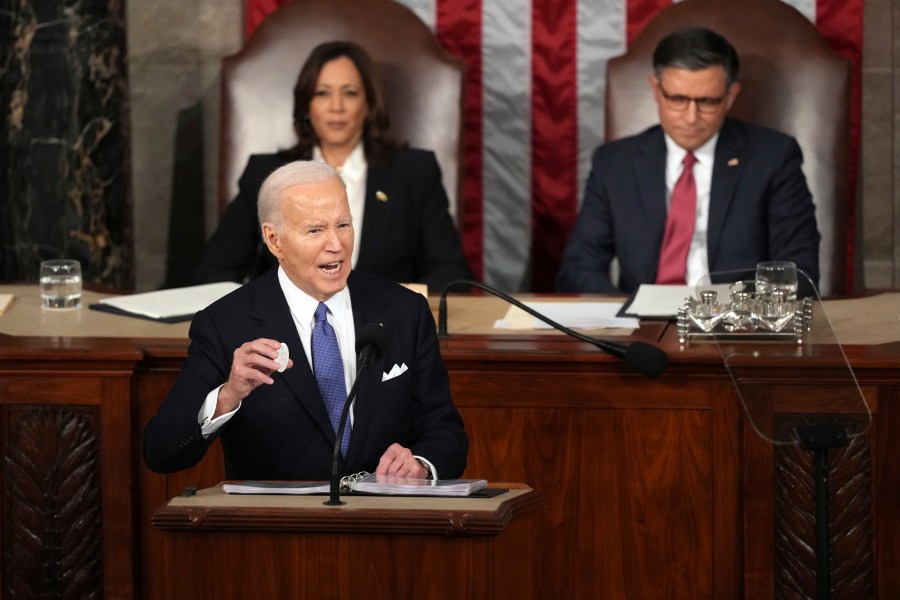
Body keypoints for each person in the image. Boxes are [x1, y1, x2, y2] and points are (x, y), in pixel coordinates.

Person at [143, 160, 469, 481]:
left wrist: (422, 464)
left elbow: (445, 431)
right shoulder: (224, 324)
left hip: (384, 522)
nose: (336, 245)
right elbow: (161, 452)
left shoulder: (404, 310)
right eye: (315, 230)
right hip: (280, 529)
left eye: (343, 225)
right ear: (274, 240)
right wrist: (228, 395)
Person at [555, 26, 820, 295]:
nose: (691, 117)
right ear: (656, 90)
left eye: (707, 102)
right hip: (640, 326)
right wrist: (626, 313)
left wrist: (732, 312)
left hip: (735, 326)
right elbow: (578, 268)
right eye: (678, 99)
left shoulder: (774, 158)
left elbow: (799, 269)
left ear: (730, 96)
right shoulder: (614, 164)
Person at [193, 40, 472, 292]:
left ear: (369, 105)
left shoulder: (414, 171)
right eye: (322, 93)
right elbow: (214, 273)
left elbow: (451, 275)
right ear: (307, 106)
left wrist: (394, 307)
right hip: (284, 336)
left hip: (386, 333)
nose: (336, 106)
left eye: (349, 93)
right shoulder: (266, 173)